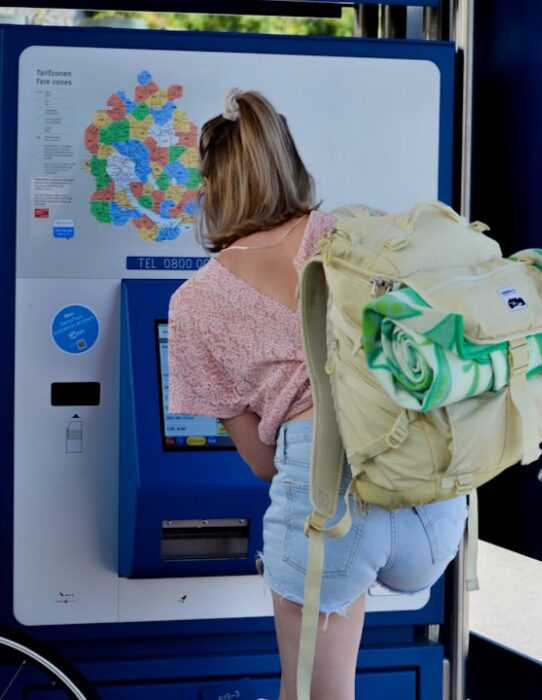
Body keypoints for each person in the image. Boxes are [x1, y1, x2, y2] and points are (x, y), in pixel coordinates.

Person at [168, 89, 467, 700]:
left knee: (316, 693)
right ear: (287, 162)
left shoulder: (195, 302)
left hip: (323, 503)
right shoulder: (357, 238)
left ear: (214, 185)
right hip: (430, 495)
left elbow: (260, 460)